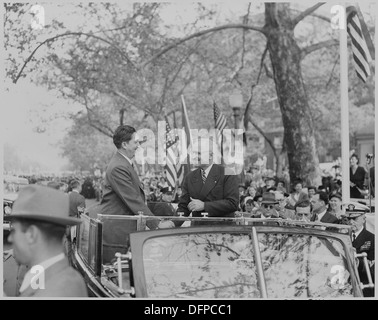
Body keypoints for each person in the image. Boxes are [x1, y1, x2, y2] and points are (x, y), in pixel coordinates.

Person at [5, 185, 88, 297]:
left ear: (31, 234)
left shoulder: (51, 292)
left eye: (14, 230)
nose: (10, 238)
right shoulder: (67, 279)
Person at [100, 125, 162, 230]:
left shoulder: (123, 163)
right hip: (119, 230)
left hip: (124, 227)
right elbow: (133, 199)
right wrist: (157, 224)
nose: (138, 146)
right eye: (135, 142)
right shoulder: (118, 167)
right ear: (124, 144)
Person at [175, 138, 239, 226]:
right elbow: (184, 207)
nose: (194, 157)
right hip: (197, 232)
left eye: (199, 153)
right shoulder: (190, 177)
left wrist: (205, 206)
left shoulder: (228, 173)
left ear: (210, 155)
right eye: (194, 153)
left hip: (222, 230)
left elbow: (232, 203)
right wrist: (172, 222)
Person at [342, 204, 375, 297]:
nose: (351, 222)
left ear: (364, 219)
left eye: (355, 219)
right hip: (343, 284)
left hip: (362, 287)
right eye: (348, 219)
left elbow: (373, 270)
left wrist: (355, 259)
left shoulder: (372, 239)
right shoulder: (341, 237)